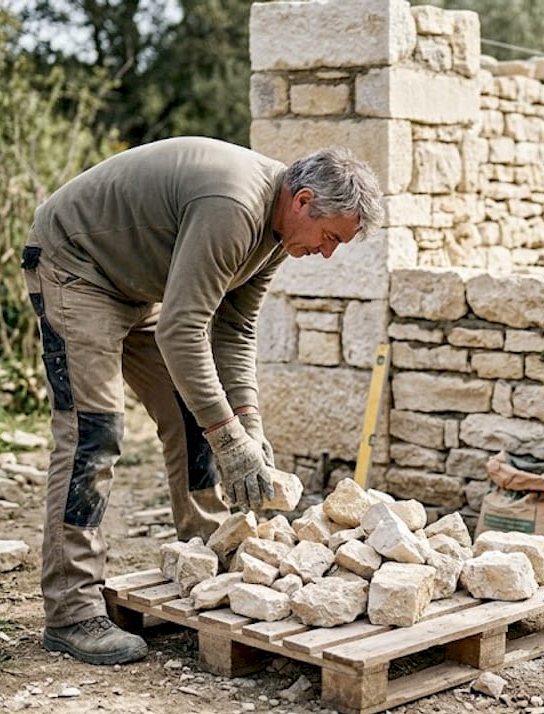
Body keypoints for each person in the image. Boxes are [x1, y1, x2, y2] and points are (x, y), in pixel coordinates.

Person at [22, 137, 383, 665]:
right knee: (92, 432)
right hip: (75, 266)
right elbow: (183, 329)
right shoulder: (234, 209)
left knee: (198, 415)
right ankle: (72, 612)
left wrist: (248, 427)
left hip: (138, 283)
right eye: (329, 237)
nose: (326, 253)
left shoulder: (279, 234)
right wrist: (228, 438)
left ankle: (212, 555)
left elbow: (233, 332)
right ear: (303, 201)